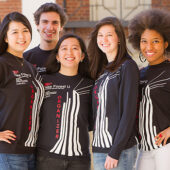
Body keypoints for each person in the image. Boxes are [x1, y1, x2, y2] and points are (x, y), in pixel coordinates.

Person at [87, 17, 139, 170]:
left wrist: (115, 151)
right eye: (100, 35)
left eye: (109, 34)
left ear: (118, 39)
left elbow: (128, 113)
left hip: (119, 151)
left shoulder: (127, 67)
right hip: (99, 149)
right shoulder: (102, 72)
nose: (104, 39)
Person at [36, 33, 94, 170]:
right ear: (57, 56)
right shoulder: (43, 81)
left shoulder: (91, 85)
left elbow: (94, 120)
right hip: (47, 157)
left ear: (82, 56)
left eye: (75, 48)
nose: (69, 52)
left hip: (79, 160)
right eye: (64, 48)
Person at [0, 12, 44, 170]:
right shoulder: (3, 64)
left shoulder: (30, 67)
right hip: (9, 152)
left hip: (32, 151)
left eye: (25, 30)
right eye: (15, 32)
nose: (21, 36)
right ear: (5, 37)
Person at [128, 8, 170, 170]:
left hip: (166, 147)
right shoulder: (139, 73)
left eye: (156, 41)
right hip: (144, 148)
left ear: (166, 43)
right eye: (144, 41)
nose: (149, 46)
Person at [24, 2, 68, 74]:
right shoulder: (26, 59)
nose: (50, 28)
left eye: (55, 22)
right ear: (37, 25)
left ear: (61, 27)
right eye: (45, 22)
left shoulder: (70, 57)